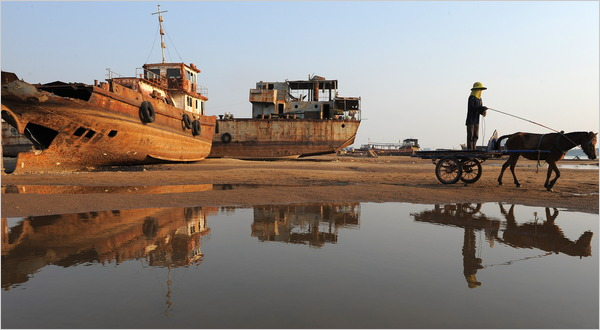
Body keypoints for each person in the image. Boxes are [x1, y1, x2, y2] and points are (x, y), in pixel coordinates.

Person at [465, 82, 488, 150]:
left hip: (476, 120)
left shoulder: (480, 99)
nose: (480, 91)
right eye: (479, 89)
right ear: (475, 90)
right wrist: (481, 108)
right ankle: (470, 149)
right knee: (471, 135)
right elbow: (471, 108)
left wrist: (483, 111)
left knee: (476, 135)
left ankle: (474, 148)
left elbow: (479, 109)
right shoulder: (471, 98)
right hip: (470, 120)